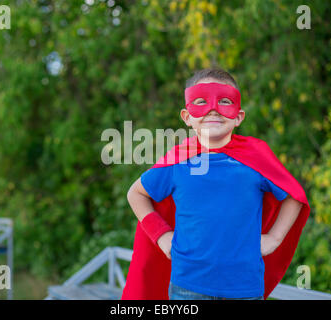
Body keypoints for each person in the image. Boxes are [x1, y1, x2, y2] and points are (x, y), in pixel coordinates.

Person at [123, 67, 309, 300]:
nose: (213, 109)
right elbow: (136, 193)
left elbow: (294, 195)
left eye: (224, 101)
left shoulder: (256, 157)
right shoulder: (178, 160)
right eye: (201, 102)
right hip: (187, 287)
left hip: (244, 288)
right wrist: (161, 236)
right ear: (187, 117)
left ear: (239, 117)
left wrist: (274, 238)